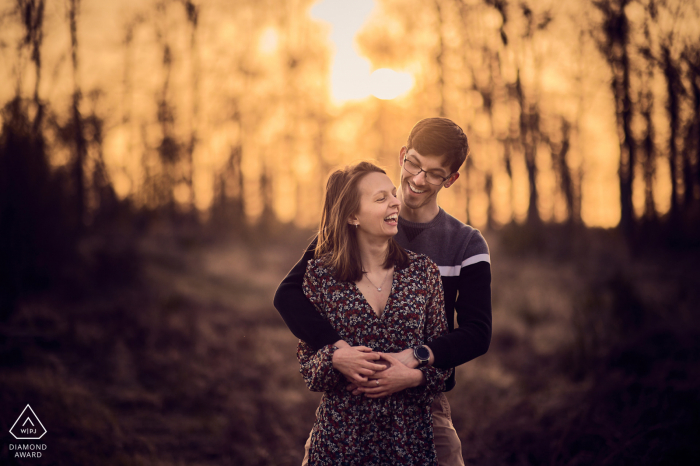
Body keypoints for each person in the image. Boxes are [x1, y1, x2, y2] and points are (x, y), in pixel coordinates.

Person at [275, 118, 491, 465]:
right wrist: (338, 350)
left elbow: (477, 333)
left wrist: (415, 361)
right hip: (348, 406)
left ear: (450, 179)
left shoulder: (465, 243)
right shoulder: (355, 226)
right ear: (403, 155)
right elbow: (288, 295)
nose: (419, 180)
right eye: (414, 164)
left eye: (435, 173)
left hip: (423, 403)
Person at [299, 161, 452, 465]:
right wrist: (335, 358)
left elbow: (444, 362)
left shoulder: (423, 272)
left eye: (392, 194)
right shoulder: (320, 276)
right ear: (352, 216)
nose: (396, 202)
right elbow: (308, 368)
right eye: (381, 198)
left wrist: (412, 378)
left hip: (409, 444)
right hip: (341, 444)